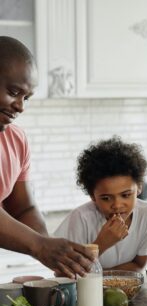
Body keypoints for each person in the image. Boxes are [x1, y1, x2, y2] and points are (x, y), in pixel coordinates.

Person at [0, 36, 94, 278]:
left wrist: (55, 253)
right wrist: (39, 246)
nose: (20, 106)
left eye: (26, 97)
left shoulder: (16, 139)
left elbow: (24, 208)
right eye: (13, 92)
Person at [54, 136, 147, 272]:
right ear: (92, 196)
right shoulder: (81, 218)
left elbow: (138, 265)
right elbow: (63, 273)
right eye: (106, 198)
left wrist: (102, 278)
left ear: (139, 187)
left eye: (125, 195)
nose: (117, 205)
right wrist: (102, 243)